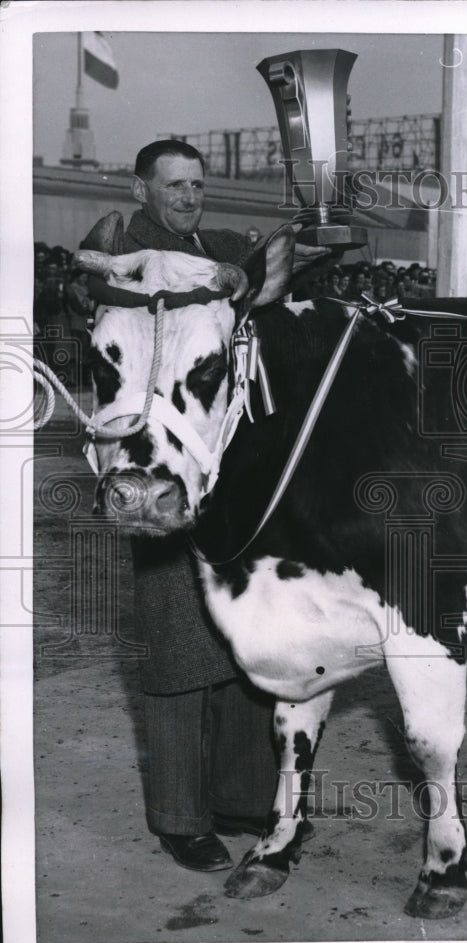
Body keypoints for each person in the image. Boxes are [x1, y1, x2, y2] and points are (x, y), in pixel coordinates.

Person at [81, 139, 328, 872]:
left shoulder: (221, 245)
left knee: (246, 643)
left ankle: (246, 798)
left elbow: (276, 275)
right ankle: (179, 817)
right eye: (174, 184)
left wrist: (317, 230)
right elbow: (95, 302)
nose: (188, 196)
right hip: (155, 469)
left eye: (196, 184)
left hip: (236, 481)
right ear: (141, 187)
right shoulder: (124, 250)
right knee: (175, 646)